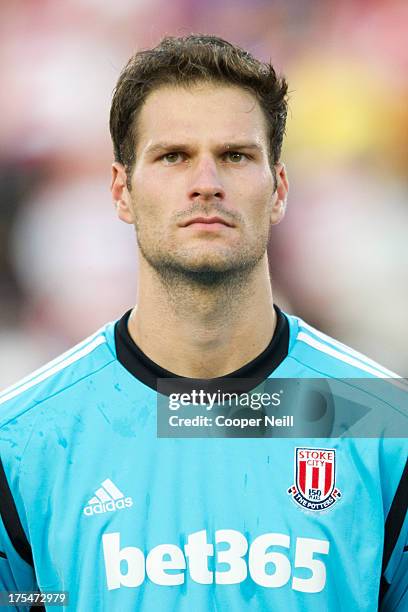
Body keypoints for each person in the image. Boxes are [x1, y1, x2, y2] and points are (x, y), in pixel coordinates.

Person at [0, 34, 406, 612]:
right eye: (173, 156)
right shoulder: (23, 442)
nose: (206, 182)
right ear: (121, 191)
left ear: (279, 189)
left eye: (236, 155)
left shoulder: (381, 424)